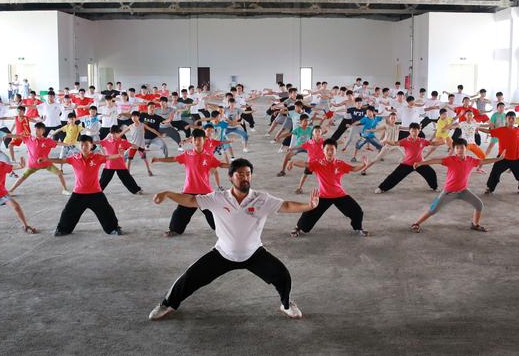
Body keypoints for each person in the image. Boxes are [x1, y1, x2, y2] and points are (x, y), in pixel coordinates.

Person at [148, 158, 319, 321]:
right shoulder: (217, 198)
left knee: (283, 276)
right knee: (189, 277)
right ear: (230, 177)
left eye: (248, 174)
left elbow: (286, 205)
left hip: (254, 253)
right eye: (240, 174)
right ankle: (167, 304)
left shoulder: (262, 198)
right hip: (223, 253)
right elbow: (191, 200)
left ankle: (286, 304)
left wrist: (309, 206)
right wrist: (168, 194)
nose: (245, 178)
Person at [408, 138, 502, 233]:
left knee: (479, 205)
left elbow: (484, 161)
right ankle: (416, 223)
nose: (460, 150)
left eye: (462, 147)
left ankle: (475, 224)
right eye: (457, 148)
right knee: (433, 209)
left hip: (463, 191)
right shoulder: (450, 160)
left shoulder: (471, 160)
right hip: (449, 192)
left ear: (466, 148)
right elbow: (435, 160)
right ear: (454, 150)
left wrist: (498, 159)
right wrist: (421, 163)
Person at [152, 128, 229, 237]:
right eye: (195, 139)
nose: (197, 142)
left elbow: (220, 164)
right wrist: (159, 159)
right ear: (192, 141)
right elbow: (174, 159)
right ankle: (174, 230)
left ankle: (223, 230)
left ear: (204, 140)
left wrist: (234, 166)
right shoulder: (186, 154)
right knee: (180, 213)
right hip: (189, 190)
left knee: (213, 213)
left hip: (205, 191)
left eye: (199, 139)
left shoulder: (209, 156)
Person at [288, 139, 370, 237]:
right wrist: (293, 162)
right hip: (323, 195)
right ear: (323, 150)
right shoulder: (318, 163)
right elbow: (305, 164)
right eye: (327, 149)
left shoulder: (340, 163)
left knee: (357, 211)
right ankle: (298, 227)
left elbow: (353, 168)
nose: (330, 152)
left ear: (336, 151)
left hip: (339, 194)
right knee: (309, 212)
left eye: (332, 150)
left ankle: (359, 228)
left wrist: (363, 164)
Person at [47, 135, 126, 236]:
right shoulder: (74, 158)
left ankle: (113, 229)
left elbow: (108, 157)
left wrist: (119, 155)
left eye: (86, 145)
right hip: (78, 193)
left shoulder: (97, 157)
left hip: (96, 193)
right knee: (68, 212)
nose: (84, 147)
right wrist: (47, 159)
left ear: (91, 145)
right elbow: (61, 160)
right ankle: (62, 230)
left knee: (106, 211)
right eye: (82, 145)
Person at [481, 112, 519, 195]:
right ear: (506, 119)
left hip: (516, 158)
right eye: (509, 118)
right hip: (502, 157)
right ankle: (489, 188)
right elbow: (489, 131)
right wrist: (478, 128)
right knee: (495, 172)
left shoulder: (518, 131)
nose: (511, 120)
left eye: (513, 118)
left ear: (515, 119)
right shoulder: (501, 129)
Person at [373, 123, 439, 194]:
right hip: (407, 164)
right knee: (394, 176)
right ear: (409, 131)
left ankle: (434, 187)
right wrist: (386, 141)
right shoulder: (405, 140)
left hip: (419, 163)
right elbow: (395, 143)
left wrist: (443, 141)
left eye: (416, 131)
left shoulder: (422, 140)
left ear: (419, 131)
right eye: (412, 131)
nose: (414, 133)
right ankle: (382, 188)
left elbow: (433, 143)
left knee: (431, 173)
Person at [9, 123, 70, 196]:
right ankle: (11, 190)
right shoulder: (29, 138)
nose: (36, 132)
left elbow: (58, 143)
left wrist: (68, 144)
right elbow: (17, 136)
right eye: (35, 130)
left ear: (43, 131)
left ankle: (65, 190)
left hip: (46, 163)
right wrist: (6, 135)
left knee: (59, 173)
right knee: (23, 176)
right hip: (33, 165)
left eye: (38, 130)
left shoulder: (48, 141)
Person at [99, 125, 143, 195]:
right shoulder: (107, 141)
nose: (113, 135)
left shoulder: (123, 142)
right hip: (109, 165)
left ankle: (136, 190)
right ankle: (96, 191)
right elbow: (98, 143)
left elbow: (132, 145)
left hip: (120, 165)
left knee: (127, 179)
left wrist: (141, 149)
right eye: (112, 133)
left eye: (115, 133)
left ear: (119, 133)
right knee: (103, 180)